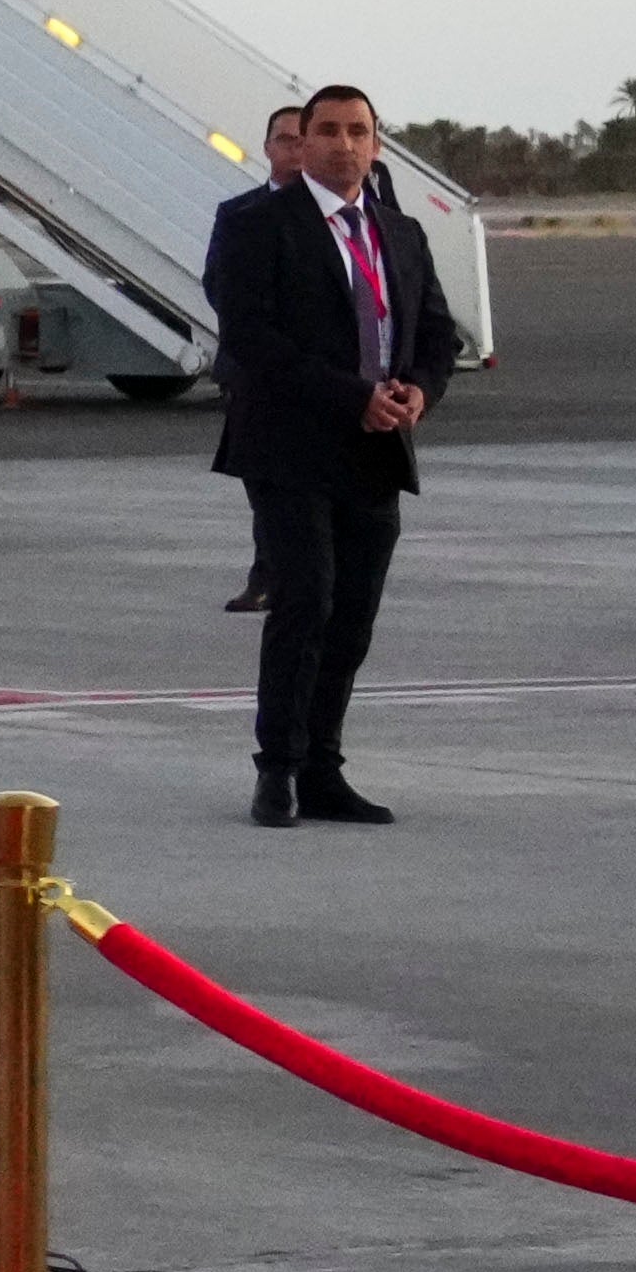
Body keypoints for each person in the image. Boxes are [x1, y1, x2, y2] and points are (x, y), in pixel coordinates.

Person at [210, 78, 456, 826]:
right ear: (301, 141)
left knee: (352, 614)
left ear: (375, 144)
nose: (343, 144)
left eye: (358, 131)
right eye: (327, 130)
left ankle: (323, 767)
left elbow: (439, 333)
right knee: (304, 599)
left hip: (376, 448)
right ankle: (276, 769)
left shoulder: (399, 232)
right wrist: (353, 395)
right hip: (287, 446)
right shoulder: (254, 221)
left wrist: (419, 391)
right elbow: (250, 337)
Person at [220, 102, 307, 614]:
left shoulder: (340, 214)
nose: (294, 149)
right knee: (265, 484)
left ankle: (285, 575)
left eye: (302, 139)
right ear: (268, 147)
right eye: (284, 140)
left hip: (318, 375)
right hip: (256, 374)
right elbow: (219, 284)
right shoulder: (239, 214)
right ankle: (267, 574)